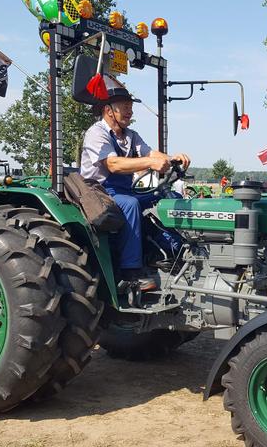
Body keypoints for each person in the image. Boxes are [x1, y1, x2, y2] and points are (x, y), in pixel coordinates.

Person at [80, 77, 190, 290]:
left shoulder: (131, 135)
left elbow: (150, 153)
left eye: (130, 107)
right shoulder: (97, 133)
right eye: (125, 107)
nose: (130, 112)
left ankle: (174, 250)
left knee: (166, 197)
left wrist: (172, 158)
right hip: (97, 192)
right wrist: (151, 162)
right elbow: (113, 165)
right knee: (130, 204)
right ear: (109, 110)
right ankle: (131, 274)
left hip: (122, 190)